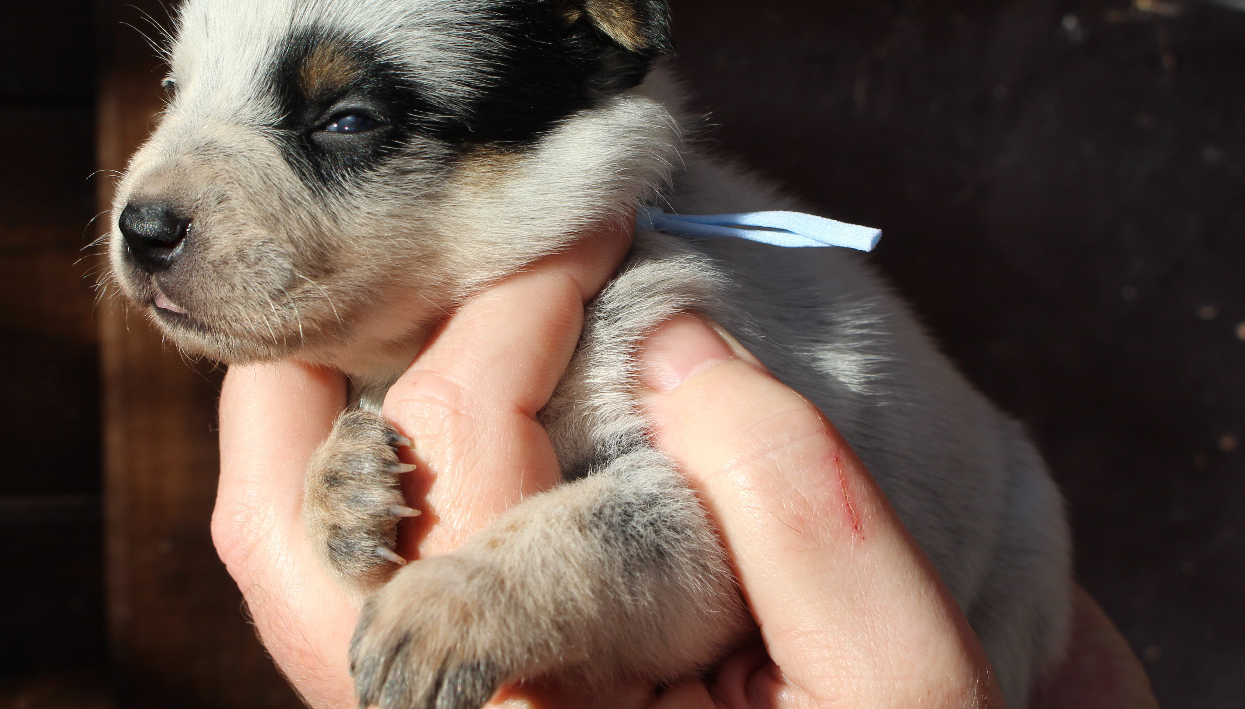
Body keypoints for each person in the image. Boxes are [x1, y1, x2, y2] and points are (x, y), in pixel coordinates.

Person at [212, 226, 1159, 708]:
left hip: (980, 606)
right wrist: (343, 485)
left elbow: (682, 531)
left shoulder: (647, 271)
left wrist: (494, 591)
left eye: (348, 123)